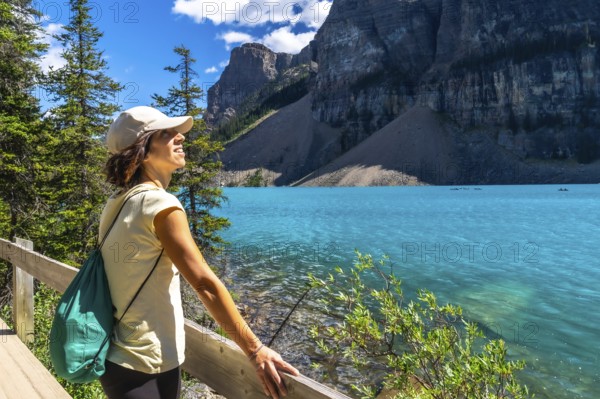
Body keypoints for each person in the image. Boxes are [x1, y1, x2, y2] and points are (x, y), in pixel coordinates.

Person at [98, 106, 299, 399]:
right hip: (146, 362)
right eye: (166, 133)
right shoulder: (160, 205)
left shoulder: (116, 203)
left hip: (118, 357)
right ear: (141, 149)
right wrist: (255, 349)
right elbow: (205, 284)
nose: (180, 137)